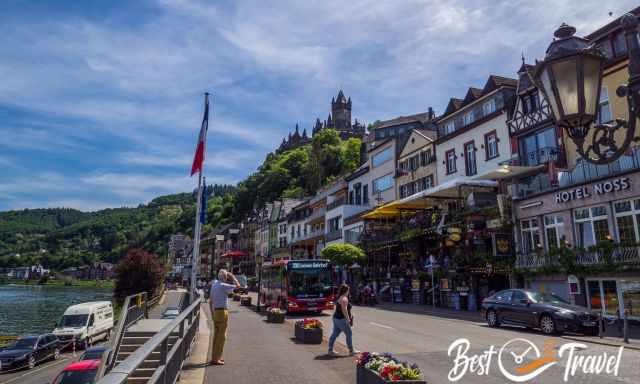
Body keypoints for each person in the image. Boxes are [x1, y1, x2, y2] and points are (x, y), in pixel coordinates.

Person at [209, 269, 240, 365]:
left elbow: (210, 301)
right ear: (225, 278)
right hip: (222, 312)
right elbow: (238, 286)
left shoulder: (214, 285)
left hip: (215, 312)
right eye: (226, 277)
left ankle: (215, 357)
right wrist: (233, 276)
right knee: (222, 337)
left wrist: (212, 314)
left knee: (216, 336)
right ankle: (216, 359)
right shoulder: (223, 285)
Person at [328, 284, 359, 356]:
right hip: (341, 319)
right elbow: (344, 310)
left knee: (334, 334)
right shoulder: (344, 299)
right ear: (346, 291)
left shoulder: (340, 297)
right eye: (348, 290)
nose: (349, 291)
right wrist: (348, 319)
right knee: (349, 333)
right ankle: (351, 351)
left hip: (336, 318)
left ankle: (330, 350)